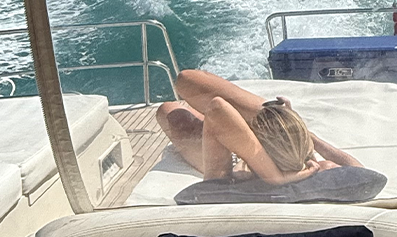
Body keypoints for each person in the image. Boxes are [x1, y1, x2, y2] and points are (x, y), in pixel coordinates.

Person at [156, 68, 363, 185]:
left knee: (169, 110)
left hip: (233, 158)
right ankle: (281, 122)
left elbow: (218, 108)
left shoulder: (244, 177)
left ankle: (274, 122)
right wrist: (305, 135)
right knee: (185, 81)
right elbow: (361, 172)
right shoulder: (316, 168)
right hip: (281, 147)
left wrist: (273, 176)